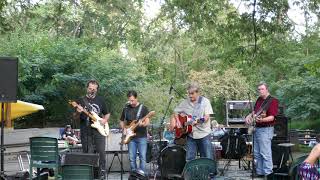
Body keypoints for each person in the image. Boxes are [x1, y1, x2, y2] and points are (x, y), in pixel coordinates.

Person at [75, 80, 110, 179]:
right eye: (90, 88)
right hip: (86, 131)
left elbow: (107, 113)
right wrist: (78, 112)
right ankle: (89, 175)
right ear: (87, 88)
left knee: (101, 153)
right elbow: (75, 117)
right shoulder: (81, 100)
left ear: (97, 90)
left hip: (99, 131)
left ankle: (101, 174)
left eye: (94, 89)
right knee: (88, 154)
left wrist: (104, 120)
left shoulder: (101, 100)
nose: (92, 90)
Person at [170, 82, 214, 161]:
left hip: (204, 134)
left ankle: (209, 173)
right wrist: (178, 122)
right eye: (189, 93)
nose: (190, 96)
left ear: (198, 93)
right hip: (191, 135)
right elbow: (175, 111)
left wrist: (197, 121)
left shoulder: (205, 102)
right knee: (189, 158)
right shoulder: (185, 102)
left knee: (207, 157)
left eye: (192, 94)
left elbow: (206, 117)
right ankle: (190, 173)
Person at [245, 82, 278, 178]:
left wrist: (262, 120)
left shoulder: (273, 101)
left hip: (266, 130)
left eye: (262, 89)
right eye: (259, 89)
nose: (260, 91)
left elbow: (272, 117)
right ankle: (259, 172)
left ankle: (268, 173)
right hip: (257, 128)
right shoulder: (259, 99)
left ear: (267, 89)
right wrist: (249, 116)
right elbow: (255, 111)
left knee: (265, 152)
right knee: (256, 152)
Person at [120, 90, 150, 174]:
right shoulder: (126, 108)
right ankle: (134, 175)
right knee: (131, 158)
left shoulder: (143, 108)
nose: (131, 102)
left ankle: (142, 175)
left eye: (132, 100)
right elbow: (122, 121)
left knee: (142, 157)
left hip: (141, 136)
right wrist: (124, 129)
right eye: (129, 100)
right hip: (130, 137)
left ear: (136, 98)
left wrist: (142, 124)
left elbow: (147, 122)